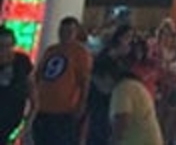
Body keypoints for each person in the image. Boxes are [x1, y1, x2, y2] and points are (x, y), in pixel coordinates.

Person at [33, 16, 92, 144]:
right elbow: (39, 75)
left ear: (76, 33)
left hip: (65, 109)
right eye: (62, 31)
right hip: (43, 107)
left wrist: (81, 104)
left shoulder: (80, 53)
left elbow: (84, 81)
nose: (65, 34)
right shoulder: (51, 50)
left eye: (69, 31)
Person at [95, 55, 164, 145]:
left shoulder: (121, 90)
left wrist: (113, 141)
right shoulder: (130, 85)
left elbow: (122, 121)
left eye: (97, 82)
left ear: (106, 77)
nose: (98, 88)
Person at [0, 26, 36, 143]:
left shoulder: (22, 62)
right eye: (1, 46)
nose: (5, 50)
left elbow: (34, 99)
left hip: (12, 123)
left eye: (8, 46)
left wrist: (26, 127)